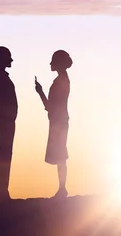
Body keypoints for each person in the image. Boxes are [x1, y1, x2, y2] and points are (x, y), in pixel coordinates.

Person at [34, 50, 73, 199]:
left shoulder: (61, 81)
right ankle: (61, 188)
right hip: (59, 120)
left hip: (59, 121)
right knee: (60, 155)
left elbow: (50, 106)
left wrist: (40, 92)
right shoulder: (62, 80)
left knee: (60, 155)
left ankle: (62, 189)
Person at [0, 45, 18, 201]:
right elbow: (4, 99)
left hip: (6, 119)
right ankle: (0, 192)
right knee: (4, 155)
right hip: (5, 119)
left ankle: (1, 191)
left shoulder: (0, 76)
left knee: (5, 154)